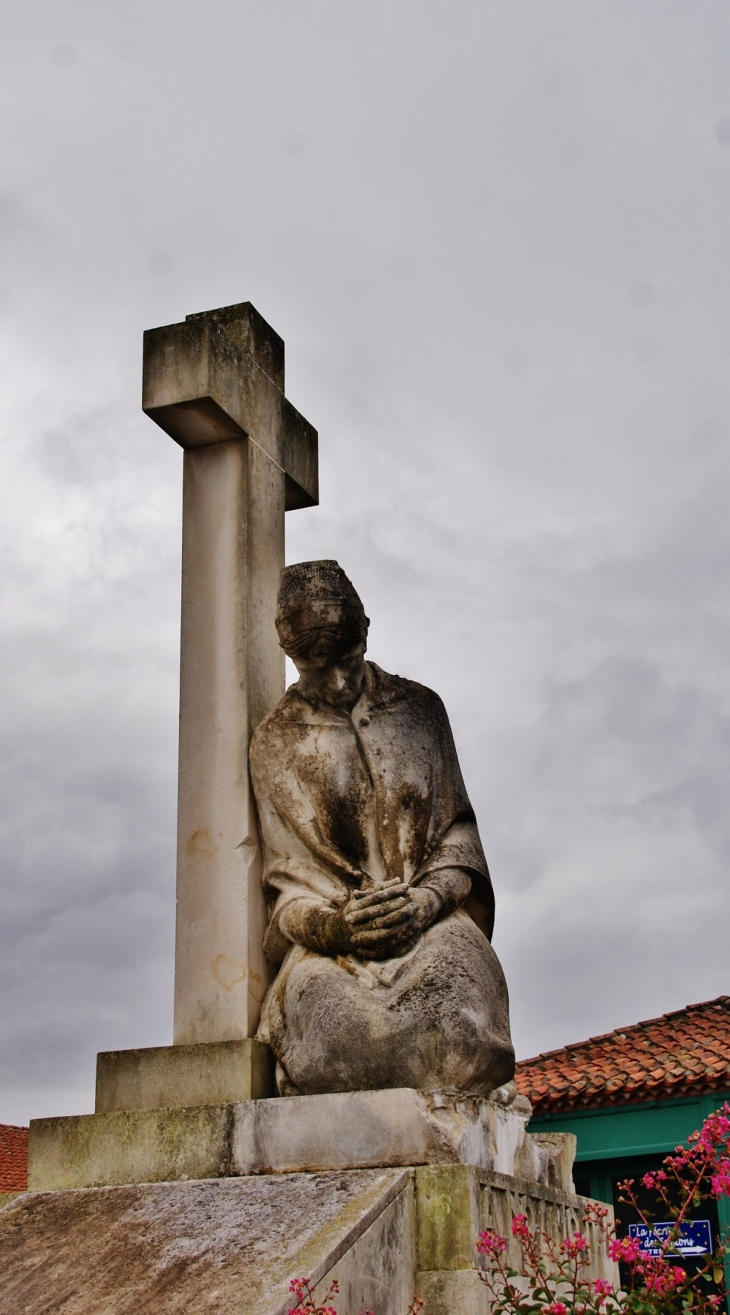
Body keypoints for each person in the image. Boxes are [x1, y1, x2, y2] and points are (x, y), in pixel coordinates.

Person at [250, 559, 515, 1096]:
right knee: (334, 1045)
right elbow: (287, 887)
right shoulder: (275, 743)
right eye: (316, 666)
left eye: (347, 657)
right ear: (292, 656)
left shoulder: (420, 711)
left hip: (432, 925)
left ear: (366, 632)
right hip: (331, 948)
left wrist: (426, 902)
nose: (339, 679)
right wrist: (337, 929)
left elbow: (459, 837)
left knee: (458, 1027)